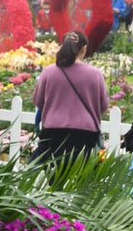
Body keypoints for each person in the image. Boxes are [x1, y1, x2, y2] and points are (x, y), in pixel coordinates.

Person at [33, 31, 107, 160]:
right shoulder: (96, 74)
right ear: (84, 49)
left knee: (53, 175)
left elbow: (39, 102)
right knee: (80, 176)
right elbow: (103, 106)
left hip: (53, 132)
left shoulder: (48, 72)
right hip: (85, 133)